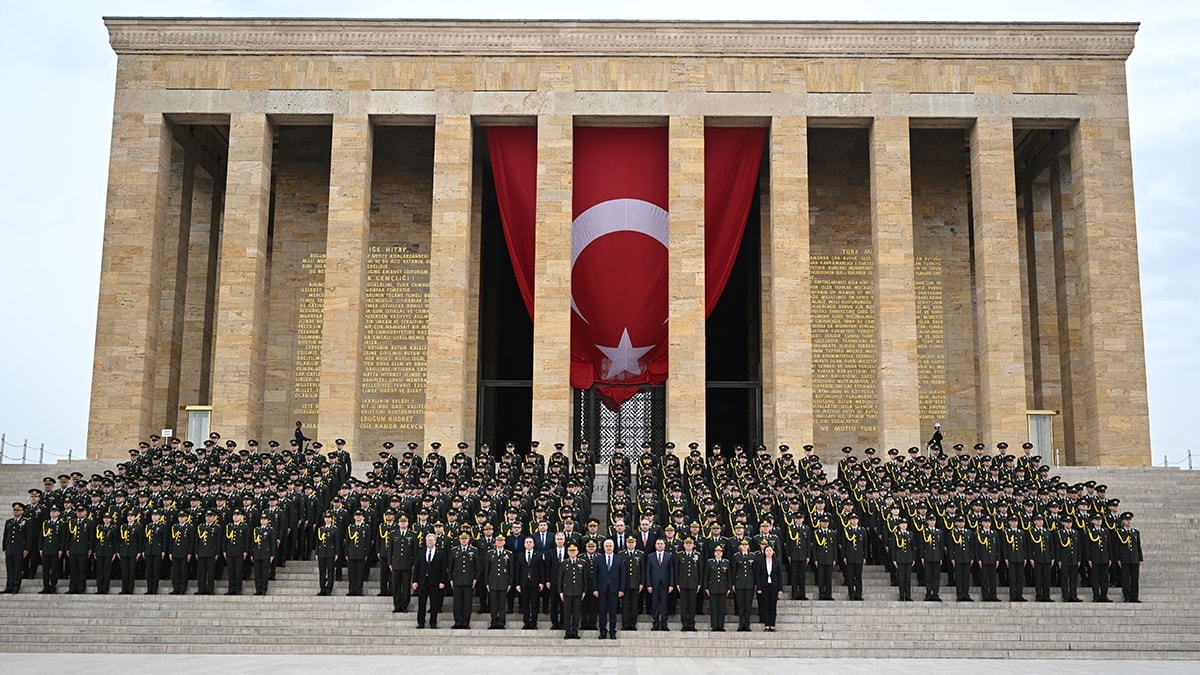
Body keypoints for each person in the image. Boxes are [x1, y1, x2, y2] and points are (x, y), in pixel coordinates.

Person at [413, 532, 448, 628]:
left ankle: (433, 622)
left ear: (435, 541)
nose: (430, 542)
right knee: (422, 604)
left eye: (432, 540)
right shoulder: (421, 552)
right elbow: (417, 568)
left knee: (434, 604)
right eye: (428, 540)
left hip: (435, 582)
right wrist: (415, 581)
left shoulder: (441, 553)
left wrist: (442, 581)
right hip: (422, 582)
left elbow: (443, 569)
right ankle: (421, 622)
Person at [593, 539, 624, 639]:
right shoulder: (598, 559)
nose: (609, 547)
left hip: (614, 590)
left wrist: (621, 589)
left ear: (613, 547)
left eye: (610, 545)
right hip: (602, 589)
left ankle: (612, 631)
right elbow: (595, 576)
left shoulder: (619, 559)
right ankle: (602, 631)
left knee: (613, 612)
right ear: (604, 547)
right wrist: (595, 589)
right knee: (602, 612)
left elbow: (622, 576)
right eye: (607, 546)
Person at [449, 531, 480, 629]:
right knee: (457, 603)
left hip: (469, 580)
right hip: (457, 580)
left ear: (469, 539)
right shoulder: (454, 550)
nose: (464, 540)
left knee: (467, 603)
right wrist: (450, 579)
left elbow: (477, 567)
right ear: (459, 539)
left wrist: (475, 579)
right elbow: (450, 567)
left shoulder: (474, 550)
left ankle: (466, 622)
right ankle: (458, 622)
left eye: (465, 538)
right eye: (462, 538)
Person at [559, 543, 588, 639]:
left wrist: (584, 591)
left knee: (576, 613)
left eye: (574, 551)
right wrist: (560, 591)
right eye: (570, 551)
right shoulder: (564, 563)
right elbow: (560, 579)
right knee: (567, 613)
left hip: (578, 591)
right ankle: (567, 631)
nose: (572, 552)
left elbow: (585, 579)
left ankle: (575, 631)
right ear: (567, 552)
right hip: (567, 592)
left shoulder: (582, 563)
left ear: (577, 552)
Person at [645, 537, 675, 631]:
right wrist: (648, 585)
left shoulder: (669, 556)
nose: (660, 545)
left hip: (665, 584)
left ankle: (664, 624)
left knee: (664, 605)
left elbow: (671, 571)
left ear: (664, 545)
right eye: (658, 544)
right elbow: (648, 572)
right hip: (654, 584)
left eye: (661, 544)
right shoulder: (650, 556)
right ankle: (656, 623)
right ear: (655, 545)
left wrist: (671, 584)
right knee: (655, 605)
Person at [387, 515, 416, 611]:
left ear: (408, 523)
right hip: (396, 563)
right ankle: (397, 605)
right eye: (401, 521)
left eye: (405, 521)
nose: (403, 523)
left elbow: (415, 551)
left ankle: (404, 605)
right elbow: (390, 549)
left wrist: (414, 564)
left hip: (407, 564)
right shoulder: (393, 534)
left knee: (406, 586)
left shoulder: (412, 534)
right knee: (396, 586)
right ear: (398, 523)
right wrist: (390, 563)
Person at [674, 537, 703, 632]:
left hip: (693, 583)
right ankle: (684, 624)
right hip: (683, 583)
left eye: (690, 543)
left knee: (692, 605)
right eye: (686, 543)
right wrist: (677, 583)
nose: (688, 545)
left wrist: (699, 583)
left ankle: (691, 624)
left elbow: (700, 571)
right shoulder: (679, 555)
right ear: (683, 545)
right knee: (684, 605)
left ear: (694, 545)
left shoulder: (698, 555)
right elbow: (676, 570)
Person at [485, 534, 513, 629]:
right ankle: (493, 622)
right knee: (493, 604)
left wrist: (510, 583)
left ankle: (501, 622)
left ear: (504, 542)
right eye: (498, 541)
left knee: (502, 604)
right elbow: (487, 570)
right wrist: (487, 583)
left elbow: (511, 570)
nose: (499, 542)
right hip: (492, 582)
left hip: (503, 582)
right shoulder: (489, 554)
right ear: (495, 542)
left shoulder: (509, 554)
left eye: (501, 541)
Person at [732, 538, 758, 632]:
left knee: (748, 606)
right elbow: (733, 571)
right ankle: (741, 624)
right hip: (739, 583)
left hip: (750, 583)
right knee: (741, 605)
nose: (744, 547)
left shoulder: (752, 556)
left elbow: (755, 571)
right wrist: (733, 583)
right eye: (742, 545)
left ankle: (747, 624)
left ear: (748, 546)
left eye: (746, 545)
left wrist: (756, 583)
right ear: (740, 547)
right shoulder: (736, 556)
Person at [1115, 512, 1143, 603]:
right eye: (1126, 520)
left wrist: (1140, 558)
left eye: (1129, 520)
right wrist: (1118, 558)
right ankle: (1127, 596)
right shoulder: (1119, 532)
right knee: (1125, 579)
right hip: (1125, 558)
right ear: (1123, 521)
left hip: (1134, 558)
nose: (1128, 522)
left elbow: (1138, 546)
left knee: (1135, 579)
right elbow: (1117, 547)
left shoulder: (1135, 532)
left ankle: (1134, 597)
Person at [2, 503, 29, 594]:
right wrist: (4, 547)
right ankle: (9, 586)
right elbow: (6, 535)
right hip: (10, 548)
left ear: (22, 511)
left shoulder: (26, 521)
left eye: (18, 510)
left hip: (19, 549)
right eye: (14, 510)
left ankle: (16, 586)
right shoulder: (9, 521)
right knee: (10, 568)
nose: (16, 512)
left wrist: (27, 549)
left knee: (18, 569)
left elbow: (28, 537)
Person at [755, 544, 783, 631]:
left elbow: (779, 576)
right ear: (764, 552)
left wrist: (780, 589)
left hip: (774, 586)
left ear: (773, 552)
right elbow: (758, 575)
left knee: (773, 606)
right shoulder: (761, 561)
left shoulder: (777, 561)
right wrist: (758, 587)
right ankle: (767, 625)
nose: (769, 552)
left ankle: (772, 625)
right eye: (767, 550)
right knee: (765, 605)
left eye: (770, 550)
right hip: (764, 586)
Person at [619, 535, 644, 631]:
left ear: (635, 543)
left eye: (632, 542)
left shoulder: (640, 554)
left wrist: (642, 583)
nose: (630, 544)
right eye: (629, 542)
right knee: (625, 605)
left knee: (634, 605)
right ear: (626, 543)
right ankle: (625, 624)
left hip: (636, 583)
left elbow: (642, 570)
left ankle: (633, 624)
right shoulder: (621, 554)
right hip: (624, 584)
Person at [1085, 514, 1112, 602]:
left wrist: (1110, 558)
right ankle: (1096, 595)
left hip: (1104, 557)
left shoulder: (1105, 531)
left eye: (1100, 519)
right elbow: (1088, 546)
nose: (1099, 521)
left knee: (1104, 578)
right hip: (1095, 558)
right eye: (1096, 519)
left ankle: (1104, 595)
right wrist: (1089, 559)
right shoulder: (1090, 531)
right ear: (1092, 521)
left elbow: (1109, 546)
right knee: (1095, 578)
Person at [705, 545, 732, 631]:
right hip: (712, 587)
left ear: (722, 553)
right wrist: (706, 588)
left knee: (721, 608)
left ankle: (720, 626)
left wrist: (728, 588)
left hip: (723, 588)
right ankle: (714, 626)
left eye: (720, 552)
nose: (718, 553)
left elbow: (729, 576)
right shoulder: (710, 562)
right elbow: (706, 576)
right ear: (714, 553)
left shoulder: (726, 562)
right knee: (713, 608)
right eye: (717, 551)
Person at [194, 509, 221, 595]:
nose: (208, 518)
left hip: (211, 552)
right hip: (201, 552)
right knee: (201, 572)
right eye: (207, 516)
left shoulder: (217, 527)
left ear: (214, 517)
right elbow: (197, 540)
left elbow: (218, 541)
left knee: (210, 572)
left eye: (210, 516)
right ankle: (201, 589)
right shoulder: (201, 526)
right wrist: (196, 551)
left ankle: (210, 589)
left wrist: (217, 553)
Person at [840, 513, 866, 601]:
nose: (854, 521)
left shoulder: (862, 530)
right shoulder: (846, 530)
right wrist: (844, 556)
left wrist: (865, 557)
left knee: (858, 577)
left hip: (859, 556)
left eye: (855, 519)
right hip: (850, 556)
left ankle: (859, 594)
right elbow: (843, 545)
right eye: (852, 519)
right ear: (849, 521)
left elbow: (865, 545)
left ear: (858, 520)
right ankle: (851, 594)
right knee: (850, 577)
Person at [919, 513, 944, 601]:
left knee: (936, 576)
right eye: (930, 520)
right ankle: (928, 593)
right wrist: (922, 556)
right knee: (928, 576)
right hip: (928, 556)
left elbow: (941, 546)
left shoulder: (939, 532)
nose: (932, 522)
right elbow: (921, 545)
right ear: (927, 521)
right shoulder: (924, 532)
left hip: (936, 557)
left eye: (934, 520)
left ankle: (935, 593)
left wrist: (941, 557)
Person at [168, 511, 195, 595]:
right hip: (175, 552)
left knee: (183, 571)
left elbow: (191, 541)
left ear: (186, 518)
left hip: (184, 552)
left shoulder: (190, 527)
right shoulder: (175, 527)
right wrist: (170, 552)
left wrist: (190, 553)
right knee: (175, 571)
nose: (181, 518)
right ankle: (175, 588)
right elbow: (172, 540)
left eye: (183, 517)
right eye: (180, 517)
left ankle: (182, 588)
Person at [224, 509, 250, 596]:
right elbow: (225, 539)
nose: (235, 516)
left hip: (239, 552)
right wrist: (224, 550)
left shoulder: (244, 526)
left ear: (241, 516)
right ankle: (230, 589)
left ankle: (238, 590)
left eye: (238, 515)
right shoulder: (229, 526)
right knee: (231, 571)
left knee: (238, 571)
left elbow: (247, 540)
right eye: (234, 514)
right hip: (230, 551)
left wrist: (246, 551)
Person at [1057, 516, 1083, 602]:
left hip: (1074, 559)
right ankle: (1066, 596)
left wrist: (1079, 559)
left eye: (1070, 522)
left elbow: (1078, 547)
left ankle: (1073, 595)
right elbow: (1058, 548)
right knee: (1064, 579)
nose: (1069, 524)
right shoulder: (1060, 533)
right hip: (1064, 559)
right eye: (1067, 522)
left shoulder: (1075, 533)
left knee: (1073, 579)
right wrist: (1059, 560)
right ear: (1063, 523)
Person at [315, 511, 340, 597]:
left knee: (330, 571)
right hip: (322, 552)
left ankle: (329, 589)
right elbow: (318, 542)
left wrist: (336, 553)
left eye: (329, 518)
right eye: (326, 518)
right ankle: (322, 588)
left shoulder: (335, 529)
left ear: (332, 519)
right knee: (322, 571)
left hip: (330, 552)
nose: (327, 519)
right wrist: (316, 553)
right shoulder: (321, 529)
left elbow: (337, 542)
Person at [116, 511, 142, 595]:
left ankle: (130, 589)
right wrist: (118, 551)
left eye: (131, 516)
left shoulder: (138, 527)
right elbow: (119, 540)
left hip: (133, 551)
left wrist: (139, 551)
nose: (130, 518)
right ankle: (124, 589)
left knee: (131, 571)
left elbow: (140, 540)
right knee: (124, 571)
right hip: (123, 551)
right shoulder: (123, 526)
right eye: (128, 516)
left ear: (135, 517)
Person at [93, 511, 118, 594]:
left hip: (108, 551)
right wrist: (95, 551)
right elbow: (96, 540)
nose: (106, 520)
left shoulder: (113, 528)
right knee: (99, 570)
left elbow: (115, 541)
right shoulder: (99, 527)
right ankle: (99, 588)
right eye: (105, 518)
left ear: (111, 519)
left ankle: (105, 589)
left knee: (107, 571)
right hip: (100, 550)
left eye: (108, 518)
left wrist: (114, 552)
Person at [143, 510, 168, 595]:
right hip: (148, 550)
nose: (154, 517)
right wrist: (144, 550)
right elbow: (145, 539)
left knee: (156, 570)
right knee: (149, 570)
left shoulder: (162, 526)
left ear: (159, 516)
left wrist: (163, 550)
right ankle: (149, 588)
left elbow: (164, 539)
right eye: (153, 515)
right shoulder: (149, 526)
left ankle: (154, 589)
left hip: (157, 550)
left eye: (156, 515)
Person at [251, 513, 276, 595]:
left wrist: (272, 554)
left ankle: (264, 589)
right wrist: (252, 553)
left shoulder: (270, 530)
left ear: (268, 521)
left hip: (266, 553)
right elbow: (253, 542)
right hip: (257, 553)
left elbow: (272, 543)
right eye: (261, 519)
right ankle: (258, 589)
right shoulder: (257, 529)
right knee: (257, 573)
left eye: (265, 519)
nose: (263, 521)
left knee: (265, 573)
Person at [891, 519, 915, 601]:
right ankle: (901, 596)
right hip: (900, 558)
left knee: (908, 579)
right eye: (902, 524)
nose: (904, 525)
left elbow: (913, 547)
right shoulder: (896, 534)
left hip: (908, 558)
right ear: (899, 525)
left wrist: (914, 558)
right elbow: (893, 548)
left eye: (905, 523)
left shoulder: (910, 534)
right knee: (901, 578)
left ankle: (908, 596)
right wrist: (894, 559)